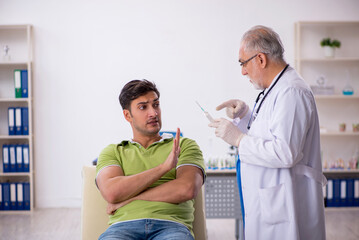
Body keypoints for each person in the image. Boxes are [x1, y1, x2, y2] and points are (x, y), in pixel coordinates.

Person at [209, 25, 327, 240]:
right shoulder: (276, 88)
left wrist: (238, 139)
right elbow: (269, 130)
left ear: (261, 59)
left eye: (243, 63)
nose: (243, 71)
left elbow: (285, 152)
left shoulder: (291, 91)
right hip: (271, 198)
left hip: (285, 203)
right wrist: (245, 114)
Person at [96, 79, 205, 240]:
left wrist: (129, 198)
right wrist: (163, 168)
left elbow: (187, 189)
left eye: (156, 104)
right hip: (122, 228)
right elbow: (112, 193)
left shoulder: (184, 145)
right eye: (143, 107)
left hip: (172, 227)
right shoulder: (113, 151)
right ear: (127, 115)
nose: (153, 113)